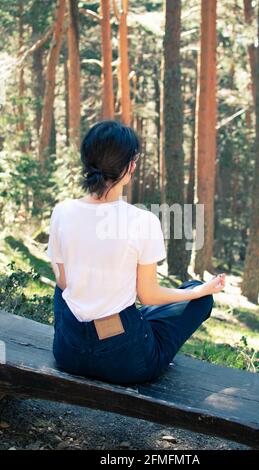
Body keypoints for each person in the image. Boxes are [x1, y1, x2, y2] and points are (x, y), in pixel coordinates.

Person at [47, 120, 225, 385]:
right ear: (130, 166)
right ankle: (193, 294)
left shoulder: (62, 211)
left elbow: (63, 282)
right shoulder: (142, 222)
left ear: (86, 161)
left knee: (68, 292)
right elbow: (149, 295)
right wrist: (200, 291)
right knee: (197, 296)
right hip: (126, 362)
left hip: (69, 354)